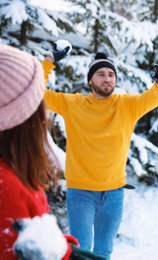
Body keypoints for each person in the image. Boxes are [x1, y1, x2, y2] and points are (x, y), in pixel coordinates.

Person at [42, 40, 158, 258]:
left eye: (111, 74)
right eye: (101, 74)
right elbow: (39, 92)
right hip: (81, 192)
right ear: (90, 80)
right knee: (81, 251)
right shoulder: (73, 104)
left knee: (104, 250)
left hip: (114, 192)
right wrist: (49, 61)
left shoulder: (126, 105)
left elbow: (152, 98)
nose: (107, 78)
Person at [0, 45, 105, 259]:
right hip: (81, 186)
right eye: (39, 106)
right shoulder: (9, 187)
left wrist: (64, 250)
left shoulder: (122, 104)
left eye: (111, 74)